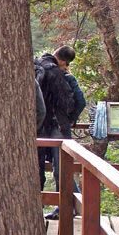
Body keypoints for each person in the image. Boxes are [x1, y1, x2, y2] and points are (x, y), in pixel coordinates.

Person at [36, 46, 86, 219]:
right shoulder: (63, 76)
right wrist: (70, 119)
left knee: (52, 167)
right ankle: (72, 207)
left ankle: (72, 207)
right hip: (58, 127)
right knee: (62, 167)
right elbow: (80, 101)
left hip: (45, 127)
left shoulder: (41, 69)